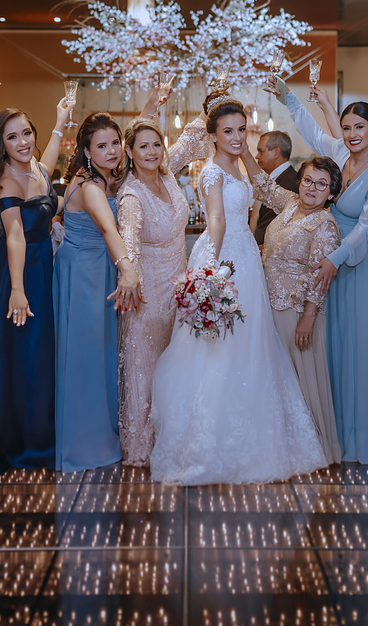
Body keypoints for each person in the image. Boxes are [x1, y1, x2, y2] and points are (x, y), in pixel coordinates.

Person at [148, 97, 327, 485]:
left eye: (240, 130)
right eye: (227, 131)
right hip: (224, 256)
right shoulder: (211, 171)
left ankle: (251, 432)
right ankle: (207, 442)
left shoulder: (242, 165)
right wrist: (214, 273)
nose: (235, 137)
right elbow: (216, 221)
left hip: (245, 253)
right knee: (216, 347)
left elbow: (255, 201)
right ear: (212, 135)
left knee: (250, 344)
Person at [271, 78, 368, 464]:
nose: (352, 134)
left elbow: (367, 226)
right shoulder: (341, 156)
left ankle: (364, 440)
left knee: (360, 346)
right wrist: (288, 97)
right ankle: (332, 433)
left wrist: (334, 259)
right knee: (333, 347)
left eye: (360, 127)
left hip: (359, 263)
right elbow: (310, 130)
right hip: (326, 262)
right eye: (346, 127)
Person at [43, 108, 143, 473]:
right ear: (86, 151)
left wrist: (149, 108)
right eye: (102, 145)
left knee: (99, 355)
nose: (112, 150)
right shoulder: (89, 187)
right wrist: (128, 270)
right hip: (84, 275)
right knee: (85, 357)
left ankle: (99, 434)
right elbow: (108, 230)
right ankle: (85, 444)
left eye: (116, 142)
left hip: (92, 269)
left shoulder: (104, 179)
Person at [117, 100, 209, 467]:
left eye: (157, 144)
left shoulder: (168, 173)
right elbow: (130, 242)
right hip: (147, 294)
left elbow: (190, 138)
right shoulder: (131, 195)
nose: (153, 152)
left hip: (179, 286)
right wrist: (131, 280)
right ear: (130, 152)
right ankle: (145, 445)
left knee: (180, 364)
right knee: (149, 367)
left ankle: (177, 435)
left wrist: (210, 106)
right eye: (143, 146)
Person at [243, 150, 344, 464]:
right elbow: (261, 183)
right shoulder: (288, 205)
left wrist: (308, 320)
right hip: (268, 304)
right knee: (274, 379)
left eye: (321, 185)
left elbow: (320, 279)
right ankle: (276, 447)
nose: (311, 189)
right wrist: (242, 147)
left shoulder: (325, 225)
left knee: (298, 381)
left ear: (332, 193)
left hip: (296, 311)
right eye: (308, 181)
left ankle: (308, 450)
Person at [0, 108, 59, 474]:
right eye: (12, 137)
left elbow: (52, 157)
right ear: (1, 144)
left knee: (41, 356)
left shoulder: (38, 168)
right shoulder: (6, 181)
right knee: (23, 359)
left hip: (42, 267)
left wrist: (61, 119)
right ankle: (22, 445)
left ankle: (42, 435)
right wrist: (17, 289)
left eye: (26, 133)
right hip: (17, 273)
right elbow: (12, 235)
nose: (22, 142)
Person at [251, 130, 298, 246]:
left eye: (261, 151)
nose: (257, 156)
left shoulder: (291, 182)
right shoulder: (274, 179)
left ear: (276, 152)